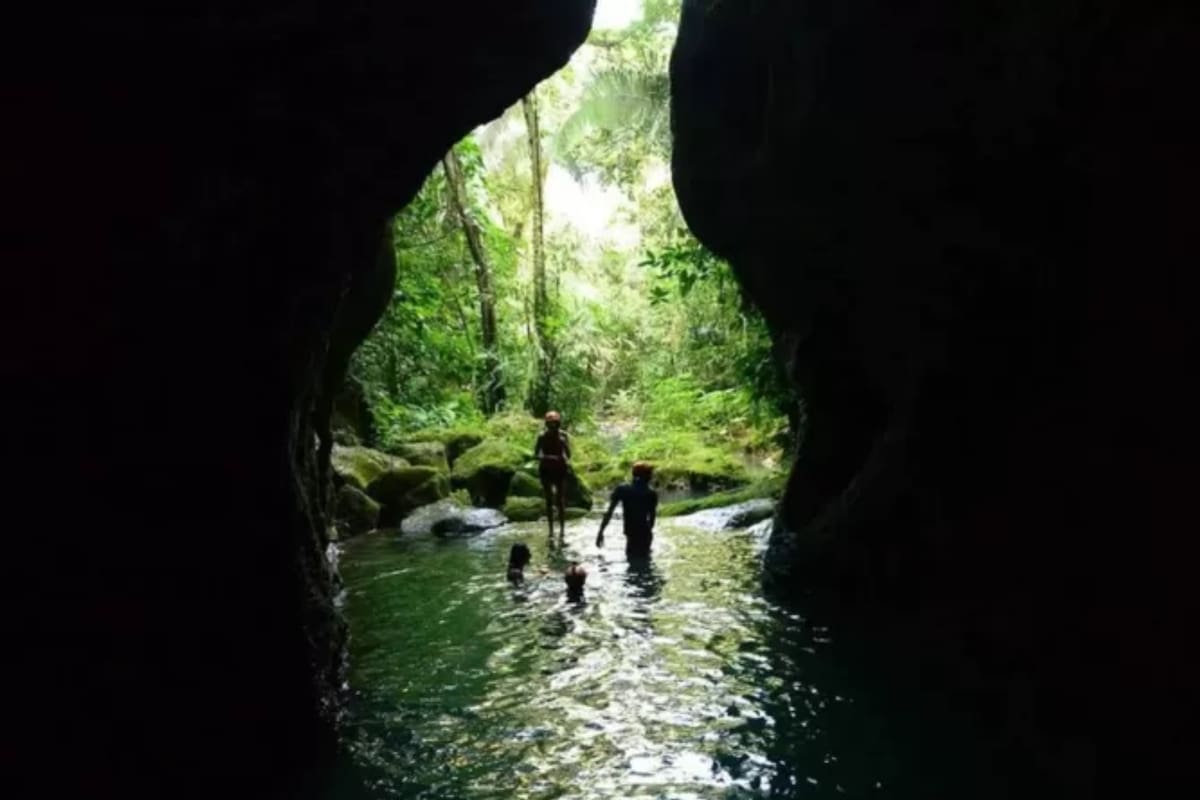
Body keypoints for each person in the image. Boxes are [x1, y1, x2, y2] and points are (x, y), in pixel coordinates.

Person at [596, 461, 658, 558]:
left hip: (631, 532)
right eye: (650, 475)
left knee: (632, 560)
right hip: (645, 534)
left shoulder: (622, 490)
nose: (652, 477)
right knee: (644, 560)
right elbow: (652, 519)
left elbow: (609, 512)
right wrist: (648, 532)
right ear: (646, 476)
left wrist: (601, 532)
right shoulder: (651, 493)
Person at [533, 410, 572, 537]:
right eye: (550, 424)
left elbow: (569, 455)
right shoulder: (542, 436)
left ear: (558, 423)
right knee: (549, 500)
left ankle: (562, 530)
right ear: (546, 424)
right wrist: (548, 457)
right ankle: (550, 530)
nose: (553, 426)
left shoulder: (563, 436)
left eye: (555, 423)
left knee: (560, 500)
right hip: (546, 469)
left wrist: (563, 444)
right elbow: (536, 454)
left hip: (560, 469)